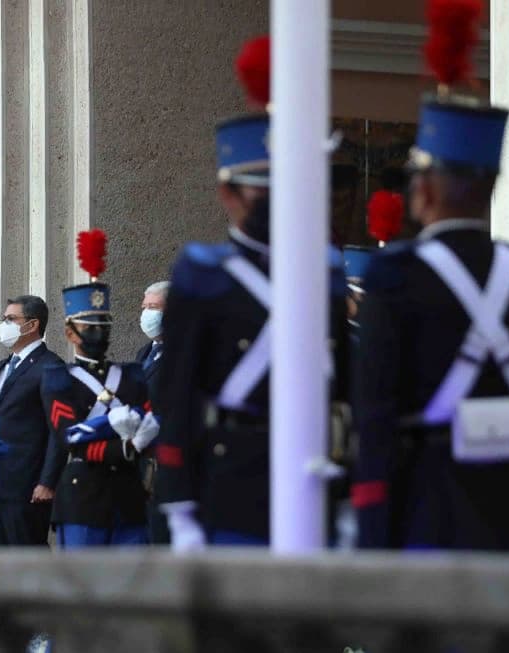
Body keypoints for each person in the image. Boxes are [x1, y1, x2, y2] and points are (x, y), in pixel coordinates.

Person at [351, 4, 509, 550]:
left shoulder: (393, 280)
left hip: (431, 514)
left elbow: (374, 424)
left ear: (423, 190)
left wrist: (371, 535)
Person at [153, 34, 347, 551]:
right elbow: (176, 398)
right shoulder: (203, 274)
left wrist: (350, 497)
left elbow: (343, 387)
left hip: (311, 475)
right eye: (261, 187)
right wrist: (179, 506)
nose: (275, 198)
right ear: (228, 193)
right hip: (230, 478)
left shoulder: (322, 270)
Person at [41, 229, 152, 548]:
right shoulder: (58, 378)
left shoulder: (131, 376)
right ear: (70, 332)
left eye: (104, 326)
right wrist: (126, 445)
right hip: (83, 497)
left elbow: (147, 423)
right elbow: (71, 436)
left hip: (129, 497)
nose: (99, 334)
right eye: (90, 327)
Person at [0, 295, 65, 546]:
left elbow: (58, 429)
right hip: (0, 483)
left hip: (29, 485)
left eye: (10, 319)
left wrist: (47, 481)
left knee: (28, 562)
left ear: (32, 325)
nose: (3, 324)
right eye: (3, 319)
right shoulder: (3, 366)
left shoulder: (49, 366)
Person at [135, 281, 170, 545]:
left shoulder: (182, 352)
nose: (147, 313)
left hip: (166, 458)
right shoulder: (144, 352)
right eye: (145, 307)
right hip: (141, 458)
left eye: (154, 307)